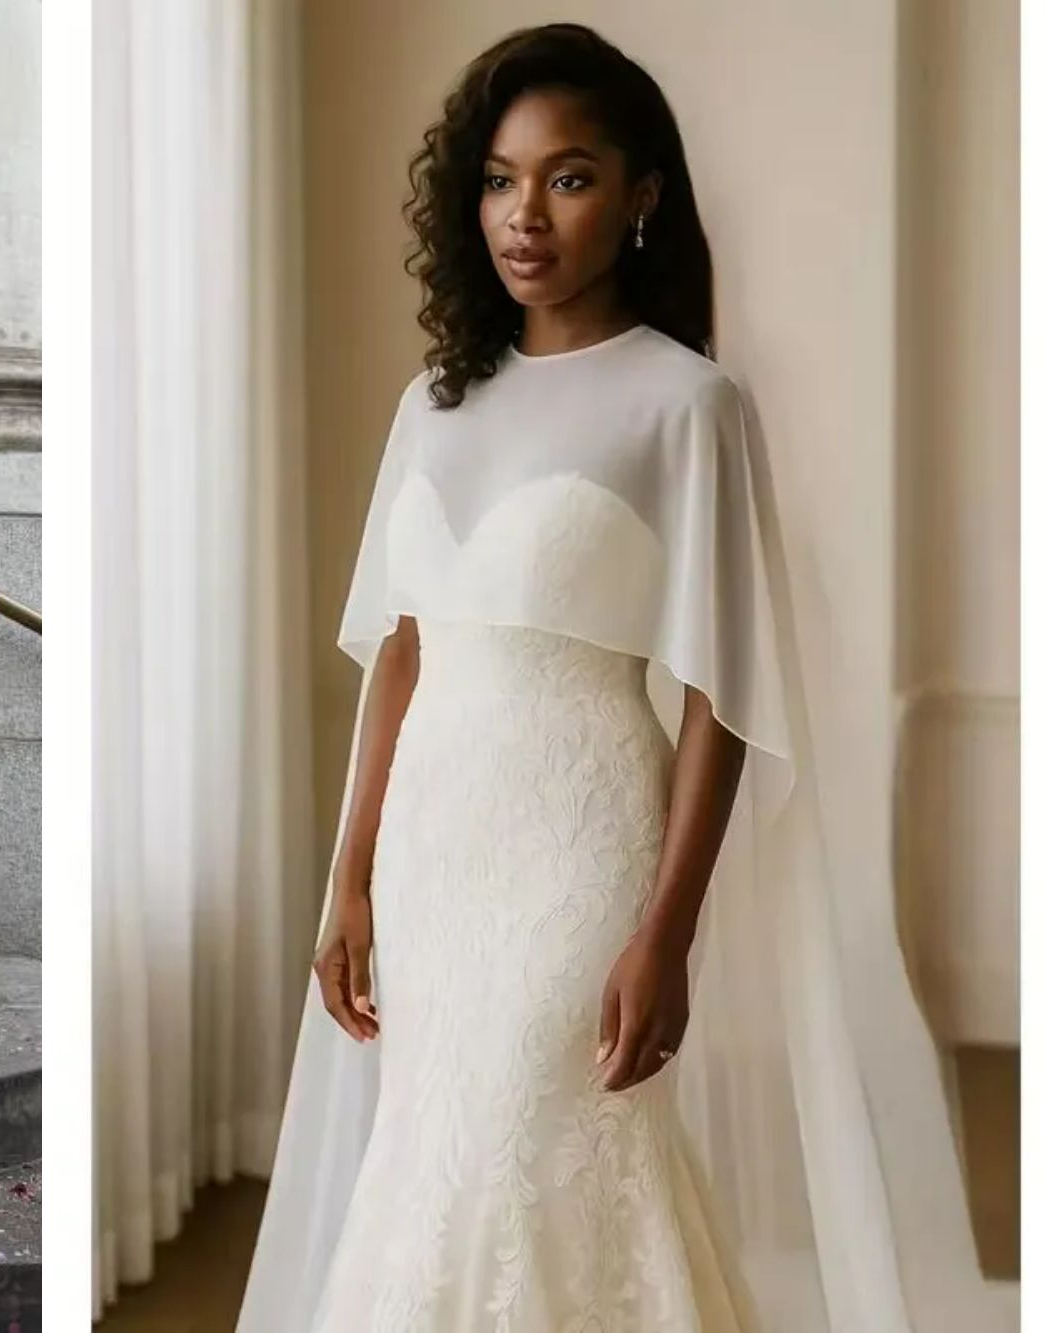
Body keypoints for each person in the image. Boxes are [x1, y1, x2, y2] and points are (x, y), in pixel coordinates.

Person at [239, 24, 987, 1332]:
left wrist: (667, 928)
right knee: (434, 1155)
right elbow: (402, 652)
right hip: (432, 851)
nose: (525, 213)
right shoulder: (436, 402)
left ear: (641, 195)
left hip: (578, 846)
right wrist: (350, 876)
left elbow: (721, 694)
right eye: (498, 178)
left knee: (535, 1145)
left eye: (568, 176)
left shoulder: (688, 405)